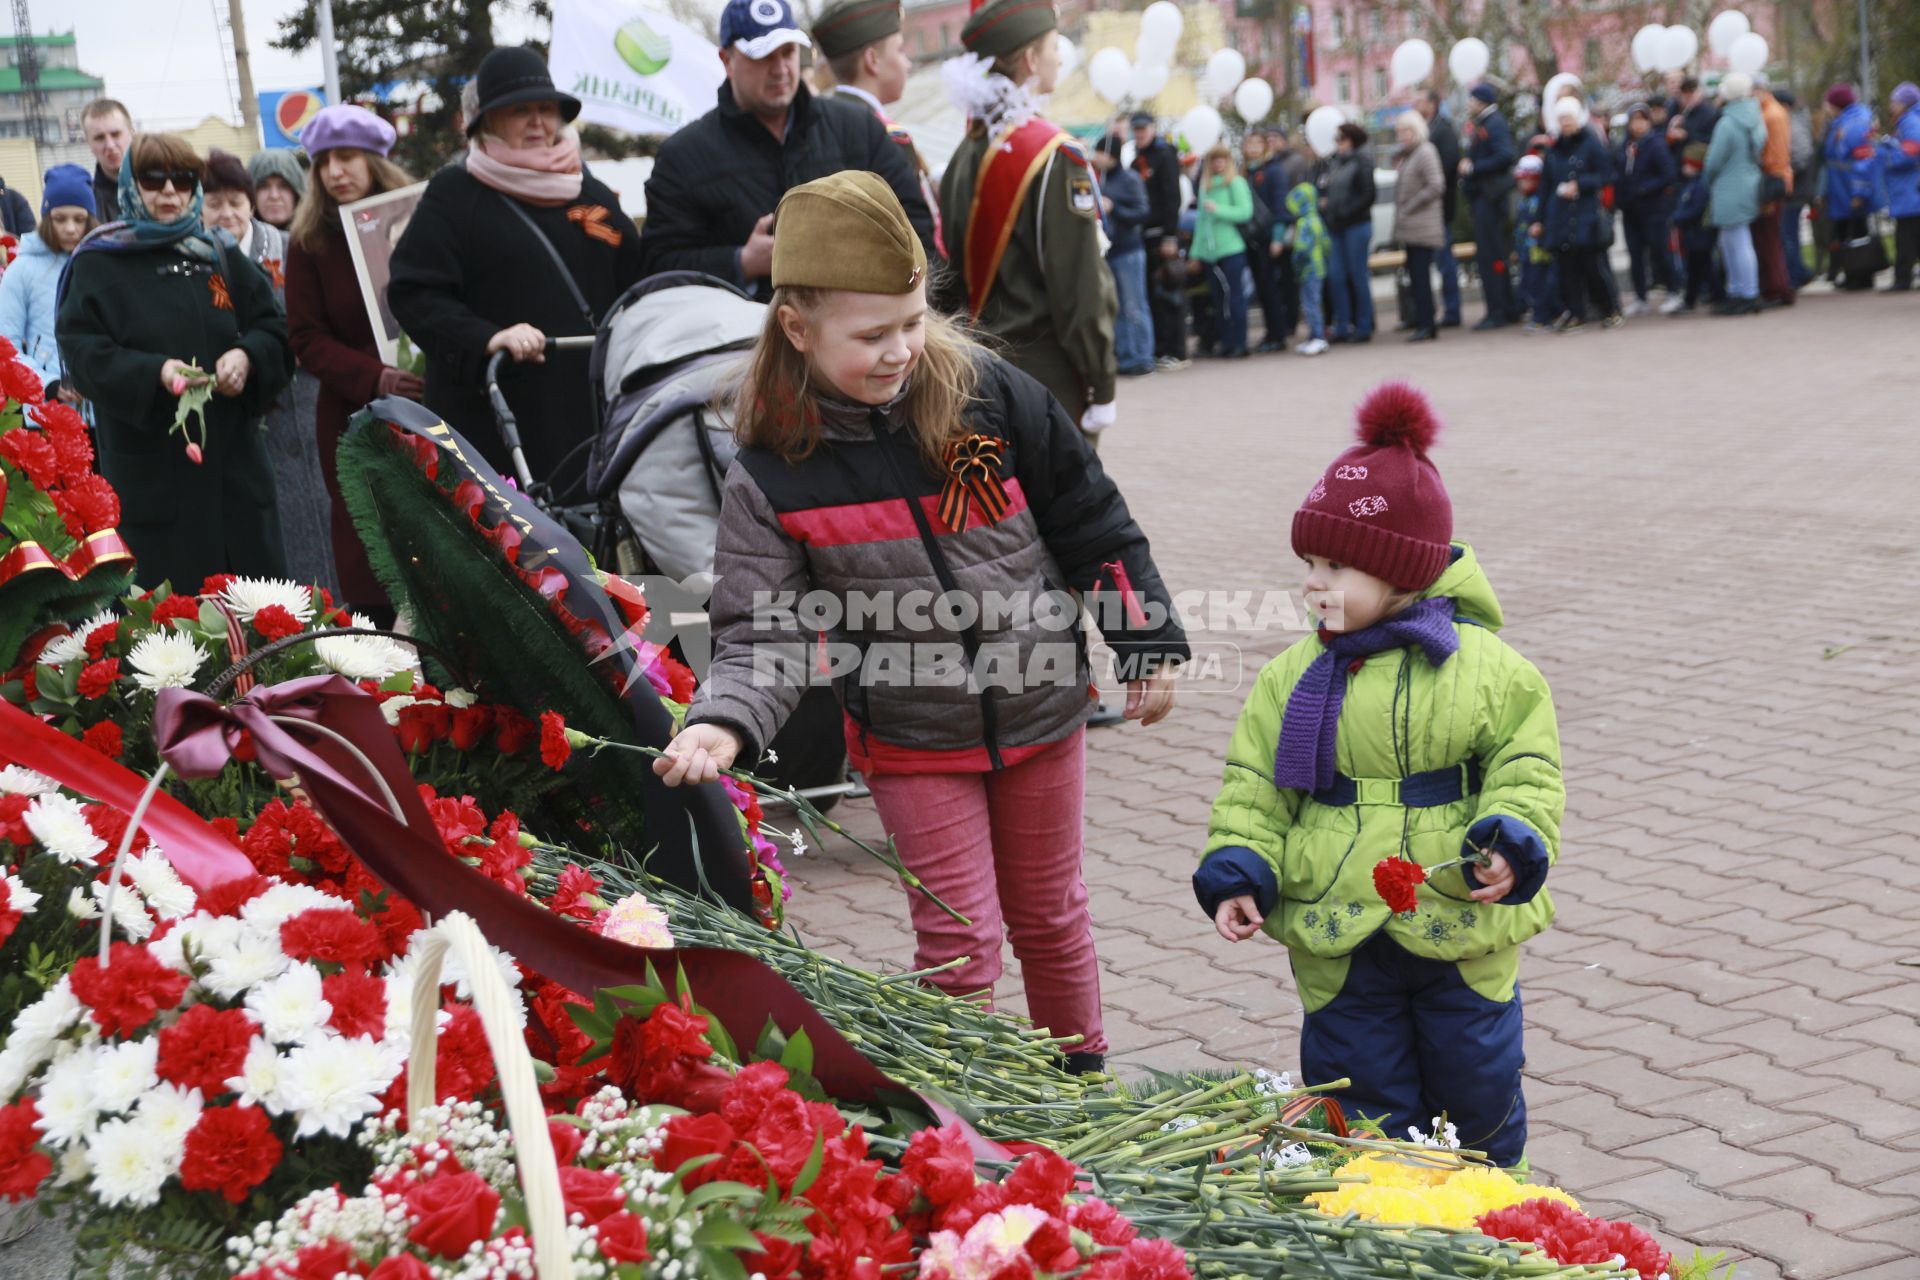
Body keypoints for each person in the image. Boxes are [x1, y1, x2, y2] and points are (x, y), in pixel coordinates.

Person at [654, 171, 1189, 1076]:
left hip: (1041, 711)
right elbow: (762, 630)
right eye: (871, 336)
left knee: (1052, 917)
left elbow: (1091, 521)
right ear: (796, 327)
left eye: (912, 321)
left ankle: (1083, 1088)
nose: (901, 349)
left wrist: (1143, 638)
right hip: (909, 735)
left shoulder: (991, 395)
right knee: (958, 944)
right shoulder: (772, 467)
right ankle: (972, 1117)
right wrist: (723, 716)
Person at [1195, 381, 1562, 1171]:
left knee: (1480, 1097)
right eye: (1310, 563)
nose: (1313, 583)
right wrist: (1239, 869)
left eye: (1336, 566)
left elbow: (1526, 766)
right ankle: (1385, 1227)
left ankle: (1492, 1226)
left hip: (1459, 919)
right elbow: (1257, 784)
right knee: (1361, 1106)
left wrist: (1512, 839)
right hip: (1339, 929)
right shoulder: (1295, 676)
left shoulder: (1489, 670)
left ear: (1402, 575)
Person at [388, 46, 643, 497]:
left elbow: (638, 283)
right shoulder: (454, 193)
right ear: (486, 122)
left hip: (590, 429)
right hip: (498, 434)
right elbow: (413, 294)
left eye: (547, 109)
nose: (538, 122)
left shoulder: (592, 194)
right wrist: (486, 338)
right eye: (519, 110)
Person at [57, 133, 293, 591]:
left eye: (183, 179)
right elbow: (83, 354)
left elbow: (276, 330)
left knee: (261, 622)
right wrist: (155, 373)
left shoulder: (217, 252)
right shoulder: (100, 261)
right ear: (131, 184)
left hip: (235, 480)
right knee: (174, 633)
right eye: (153, 178)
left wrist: (246, 357)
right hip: (155, 480)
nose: (169, 191)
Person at [638, 0, 934, 296]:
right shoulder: (683, 157)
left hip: (863, 329)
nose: (780, 69)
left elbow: (915, 229)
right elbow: (658, 267)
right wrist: (742, 262)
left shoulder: (857, 128)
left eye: (788, 52)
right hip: (747, 336)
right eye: (763, 56)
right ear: (726, 60)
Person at [939, 0, 1115, 431]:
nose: (1059, 56)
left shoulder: (964, 154)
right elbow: (1078, 284)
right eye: (1054, 45)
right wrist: (1101, 379)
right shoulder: (1056, 155)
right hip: (1049, 376)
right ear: (1031, 59)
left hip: (980, 368)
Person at [286, 106, 420, 620]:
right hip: (351, 416)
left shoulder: (418, 223)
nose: (335, 171)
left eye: (347, 158)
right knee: (370, 551)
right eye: (323, 162)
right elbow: (306, 337)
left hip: (427, 408)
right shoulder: (308, 241)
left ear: (375, 161)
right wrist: (377, 377)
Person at [200, 148, 337, 596]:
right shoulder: (196, 257)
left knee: (323, 520)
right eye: (214, 203)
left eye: (235, 203)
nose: (226, 214)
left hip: (305, 406)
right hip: (247, 419)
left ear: (250, 204)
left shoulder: (285, 247)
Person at [812, 0, 942, 254]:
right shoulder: (884, 134)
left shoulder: (819, 123)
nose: (908, 63)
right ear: (872, 60)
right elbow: (914, 235)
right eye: (900, 50)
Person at [0, 166, 93, 403]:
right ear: (46, 218)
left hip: (102, 412)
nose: (70, 228)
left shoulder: (100, 266)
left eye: (79, 219)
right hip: (47, 411)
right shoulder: (21, 270)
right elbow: (6, 344)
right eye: (60, 219)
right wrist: (48, 384)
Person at [1542, 97, 1621, 333]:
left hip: (1586, 214)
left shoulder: (1591, 143)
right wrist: (1541, 219)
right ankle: (1576, 312)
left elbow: (1606, 175)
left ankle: (1611, 309)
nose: (1566, 123)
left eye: (1569, 118)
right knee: (1568, 268)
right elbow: (1546, 185)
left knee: (1593, 266)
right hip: (1561, 214)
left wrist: (1581, 185)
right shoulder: (1555, 149)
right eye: (1562, 118)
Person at [1704, 73, 1766, 317]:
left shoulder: (1727, 123)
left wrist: (1707, 180)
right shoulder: (1754, 117)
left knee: (1734, 242)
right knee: (1737, 240)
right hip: (1748, 182)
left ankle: (1744, 292)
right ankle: (1744, 291)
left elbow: (1713, 162)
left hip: (1728, 187)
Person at [1091, 137, 1154, 377]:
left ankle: (1142, 356)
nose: (1096, 157)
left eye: (1100, 152)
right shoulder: (1099, 178)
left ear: (1111, 154)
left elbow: (1142, 212)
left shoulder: (1129, 178)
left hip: (1129, 249)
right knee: (1116, 307)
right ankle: (1125, 356)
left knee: (1134, 305)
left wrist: (1114, 207)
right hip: (1109, 250)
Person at [1461, 83, 1519, 328]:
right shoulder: (1486, 123)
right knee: (1492, 255)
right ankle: (1504, 307)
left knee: (1491, 256)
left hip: (1490, 197)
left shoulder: (1493, 123)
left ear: (1481, 101)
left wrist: (1473, 168)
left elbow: (1504, 155)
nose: (1469, 104)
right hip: (1485, 197)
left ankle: (1498, 310)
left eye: (1472, 99)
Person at [1130, 113, 1185, 367]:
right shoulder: (1136, 160)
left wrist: (1170, 235)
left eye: (1143, 129)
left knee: (1168, 292)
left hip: (1162, 234)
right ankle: (1160, 347)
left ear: (1153, 128)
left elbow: (1172, 197)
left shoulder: (1165, 155)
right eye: (1136, 129)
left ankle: (1175, 350)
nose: (1139, 133)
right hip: (1144, 236)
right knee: (1153, 294)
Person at [1613, 104, 1677, 314]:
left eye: (1642, 120)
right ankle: (1640, 296)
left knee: (1659, 250)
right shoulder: (1625, 146)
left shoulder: (1655, 144)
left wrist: (1645, 188)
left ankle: (1673, 290)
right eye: (1634, 121)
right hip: (1630, 209)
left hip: (1653, 207)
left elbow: (1668, 174)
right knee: (1635, 253)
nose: (1638, 125)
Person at [1192, 144, 1252, 359]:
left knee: (1234, 296)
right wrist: (1195, 253)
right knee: (1218, 299)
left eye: (1222, 159)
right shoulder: (1205, 186)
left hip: (1231, 249)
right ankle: (1226, 341)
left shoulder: (1235, 183)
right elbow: (1200, 223)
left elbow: (1245, 212)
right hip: (1210, 252)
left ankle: (1240, 341)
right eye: (1214, 160)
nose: (1218, 164)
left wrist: (1219, 210)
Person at [1391, 111, 1445, 343]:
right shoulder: (1410, 155)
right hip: (1412, 227)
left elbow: (1436, 184)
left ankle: (1427, 323)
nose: (1401, 136)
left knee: (1421, 278)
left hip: (1423, 226)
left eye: (1404, 131)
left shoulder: (1425, 152)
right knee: (1415, 277)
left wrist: (1411, 206)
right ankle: (1422, 320)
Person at [1821, 84, 1880, 291]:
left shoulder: (1854, 124)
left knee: (1857, 233)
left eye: (1828, 103)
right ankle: (1852, 273)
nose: (1826, 108)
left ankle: (1861, 275)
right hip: (1841, 186)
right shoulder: (1843, 122)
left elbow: (1863, 160)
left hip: (1849, 187)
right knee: (1846, 232)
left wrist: (1859, 192)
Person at [1321, 122, 1376, 344]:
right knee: (1336, 277)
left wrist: (1343, 211)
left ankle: (1364, 325)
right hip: (1337, 227)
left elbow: (1367, 195)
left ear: (1352, 140)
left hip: (1356, 226)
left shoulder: (1362, 161)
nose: (1337, 144)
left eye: (1341, 139)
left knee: (1357, 276)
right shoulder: (1335, 163)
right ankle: (1342, 325)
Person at [1417, 91, 1464, 327]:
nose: (1416, 105)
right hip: (1428, 212)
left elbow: (1447, 167)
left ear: (1432, 104)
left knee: (1445, 262)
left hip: (1440, 209)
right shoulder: (1427, 129)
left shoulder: (1442, 131)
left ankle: (1452, 311)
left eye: (1420, 101)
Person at [1242, 130, 1288, 352]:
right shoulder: (1245, 173)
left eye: (1257, 143)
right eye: (1249, 144)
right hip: (1253, 238)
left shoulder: (1274, 171)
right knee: (1261, 289)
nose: (1252, 148)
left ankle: (1278, 334)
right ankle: (1270, 332)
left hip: (1268, 236)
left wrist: (1278, 238)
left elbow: (1280, 208)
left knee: (1271, 288)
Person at [1753, 78, 1796, 307]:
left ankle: (1777, 287)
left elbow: (1774, 155)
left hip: (1773, 180)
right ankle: (1777, 285)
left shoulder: (1771, 115)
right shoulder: (1771, 112)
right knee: (1770, 237)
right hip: (1776, 178)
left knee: (1769, 238)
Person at [1275, 181, 1329, 355]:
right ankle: (1314, 336)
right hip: (1318, 267)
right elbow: (1327, 244)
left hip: (1308, 269)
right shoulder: (1317, 219)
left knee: (1310, 304)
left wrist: (1295, 259)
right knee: (1313, 303)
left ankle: (1318, 337)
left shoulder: (1304, 223)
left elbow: (1302, 248)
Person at [1665, 143, 1719, 315]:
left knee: (1700, 267)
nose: (1684, 167)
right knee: (1700, 268)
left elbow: (1695, 209)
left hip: (1699, 233)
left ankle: (1702, 297)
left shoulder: (1701, 185)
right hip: (1694, 234)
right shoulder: (1693, 183)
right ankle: (1703, 296)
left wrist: (1677, 217)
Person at [1880, 83, 1920, 290]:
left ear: (1904, 103)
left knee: (1905, 235)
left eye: (1894, 101)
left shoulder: (1910, 123)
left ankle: (1902, 278)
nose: (1891, 106)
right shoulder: (1909, 121)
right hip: (1911, 189)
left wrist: (1888, 157)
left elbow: (1911, 152)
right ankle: (1903, 276)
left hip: (1910, 189)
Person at [1512, 155, 1555, 332]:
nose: (1523, 184)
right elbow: (1520, 228)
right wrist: (1516, 249)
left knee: (1539, 283)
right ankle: (1539, 313)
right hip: (1526, 251)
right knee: (1529, 283)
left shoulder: (1540, 200)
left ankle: (1542, 317)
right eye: (1521, 180)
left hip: (1539, 251)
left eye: (1527, 180)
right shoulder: (1524, 200)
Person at [1781, 89, 1817, 289]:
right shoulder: (1792, 123)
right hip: (1795, 188)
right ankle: (1799, 271)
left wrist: (1786, 172)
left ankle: (1796, 274)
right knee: (1788, 233)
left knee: (1788, 233)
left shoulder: (1793, 126)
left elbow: (1803, 155)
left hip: (1795, 190)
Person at [81, 99, 132, 221]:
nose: (110, 145)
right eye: (99, 138)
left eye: (115, 134)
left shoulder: (164, 189)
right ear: (88, 143)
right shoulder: (85, 207)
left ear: (132, 133)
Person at [247, 150, 307, 232]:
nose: (274, 196)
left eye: (284, 186)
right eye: (264, 186)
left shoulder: (321, 239)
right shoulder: (235, 242)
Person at [1665, 77, 1718, 156]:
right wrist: (1671, 127)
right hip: (1677, 160)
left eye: (1691, 91)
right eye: (1684, 91)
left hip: (1697, 161)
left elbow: (1712, 140)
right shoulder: (1674, 108)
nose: (1688, 95)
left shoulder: (1710, 112)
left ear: (1699, 93)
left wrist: (1687, 135)